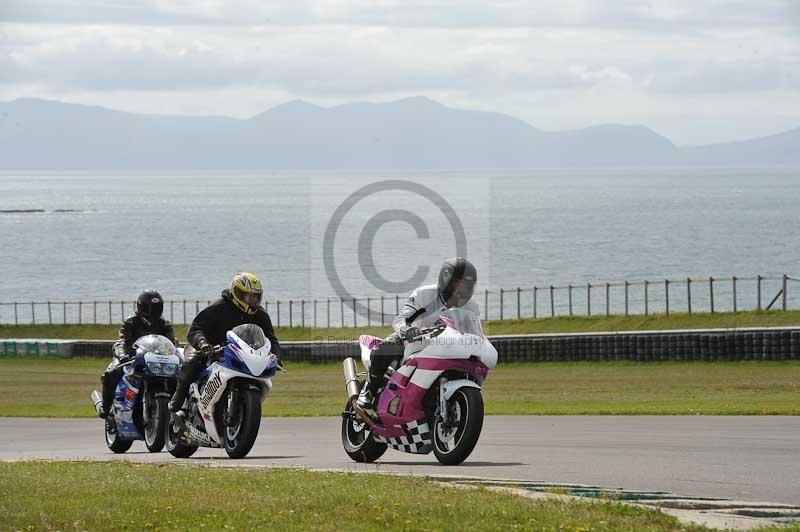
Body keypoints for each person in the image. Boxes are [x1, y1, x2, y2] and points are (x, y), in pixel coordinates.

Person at [355, 257, 480, 418]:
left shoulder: (471, 307)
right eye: (459, 284)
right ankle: (368, 392)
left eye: (467, 286)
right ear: (446, 279)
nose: (463, 290)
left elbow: (473, 332)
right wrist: (407, 331)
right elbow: (401, 319)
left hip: (446, 346)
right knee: (383, 349)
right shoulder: (424, 294)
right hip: (414, 340)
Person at [168, 272, 281, 415]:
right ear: (238, 293)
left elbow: (271, 338)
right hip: (207, 347)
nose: (253, 300)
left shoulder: (260, 315)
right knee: (192, 363)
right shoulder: (219, 307)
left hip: (237, 352)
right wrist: (203, 344)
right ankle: (177, 402)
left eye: (256, 297)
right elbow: (195, 328)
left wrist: (276, 357)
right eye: (249, 296)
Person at [100, 290, 177, 431]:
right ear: (141, 306)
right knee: (111, 373)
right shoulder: (131, 321)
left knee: (178, 376)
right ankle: (106, 410)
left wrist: (178, 354)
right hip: (131, 358)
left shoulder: (164, 324)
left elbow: (172, 343)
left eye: (156, 307)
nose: (153, 310)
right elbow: (121, 341)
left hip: (156, 360)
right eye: (150, 307)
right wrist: (122, 355)